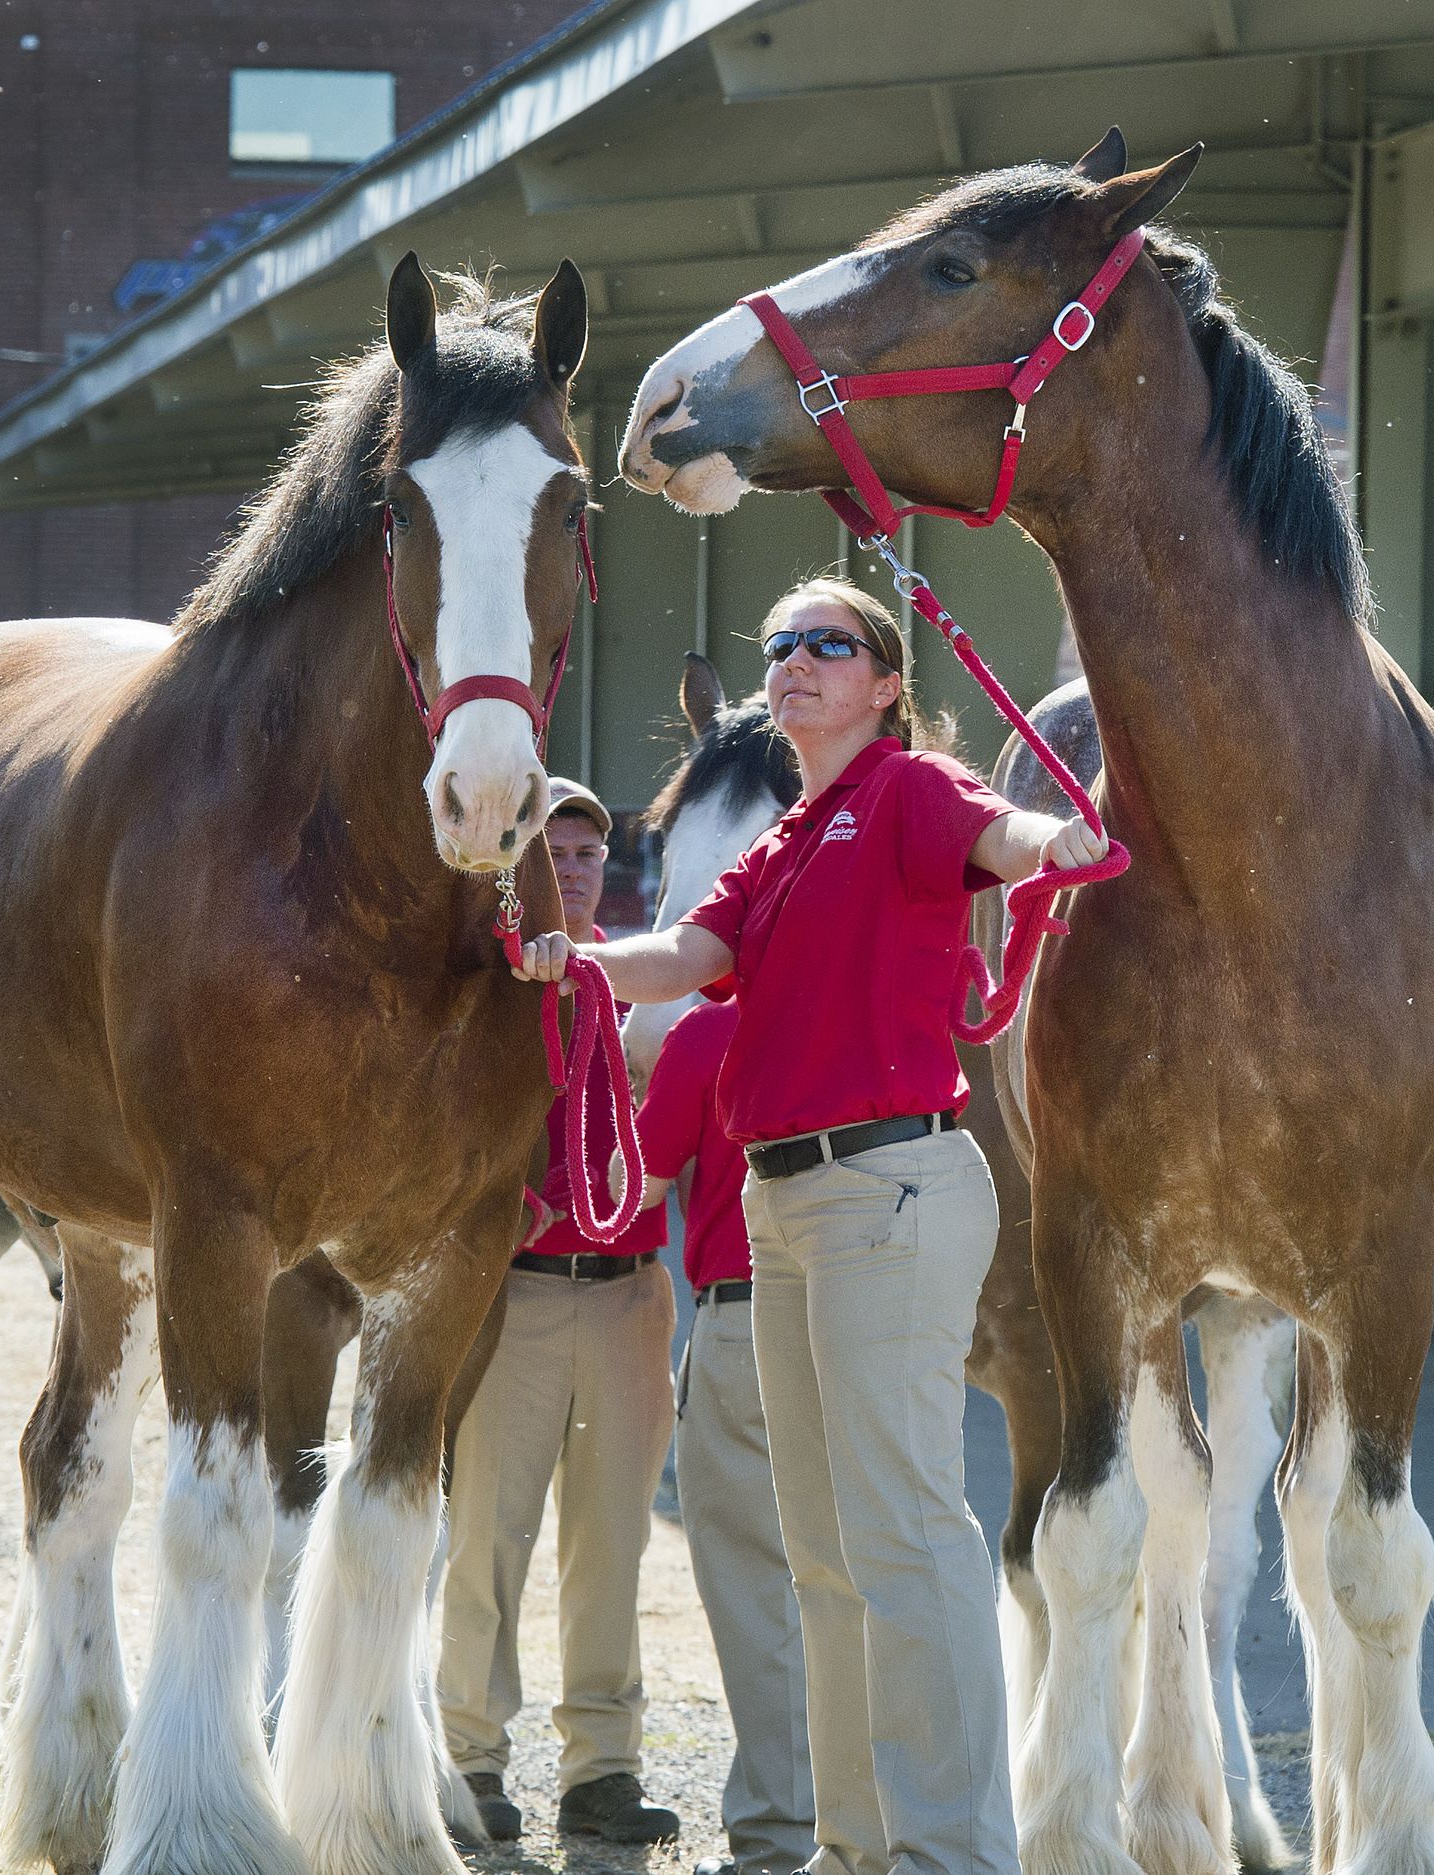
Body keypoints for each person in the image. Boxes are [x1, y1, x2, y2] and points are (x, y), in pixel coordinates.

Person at [514, 578, 1103, 1875]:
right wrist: (576, 961)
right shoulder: (783, 843)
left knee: (905, 1534)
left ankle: (952, 1853)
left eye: (826, 645)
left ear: (885, 681)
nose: (792, 663)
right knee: (827, 1553)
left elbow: (995, 835)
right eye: (779, 646)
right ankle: (851, 1848)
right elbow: (680, 956)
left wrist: (1052, 844)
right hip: (786, 1204)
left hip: (885, 1187)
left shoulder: (906, 787)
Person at [438, 777, 683, 1846]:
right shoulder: (492, 993)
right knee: (486, 1537)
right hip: (518, 1296)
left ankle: (602, 1770)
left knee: (613, 1542)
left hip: (629, 1294)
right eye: (555, 853)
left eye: (588, 854)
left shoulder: (645, 984)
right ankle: (469, 1759)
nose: (574, 871)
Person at [633, 992, 816, 1875]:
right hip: (859, 1310)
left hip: (744, 1317)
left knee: (754, 1587)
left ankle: (785, 1835)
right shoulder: (847, 1009)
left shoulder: (706, 1032)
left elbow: (640, 1186)